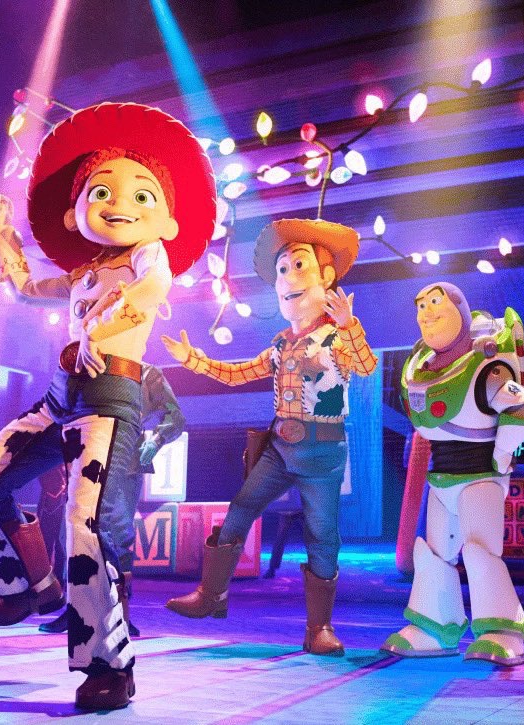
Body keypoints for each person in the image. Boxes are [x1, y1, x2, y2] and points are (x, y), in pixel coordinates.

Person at [0, 102, 214, 710]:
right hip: (60, 398)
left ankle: (109, 665)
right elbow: (23, 287)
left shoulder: (147, 257)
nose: (119, 203)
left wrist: (104, 326)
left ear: (167, 221)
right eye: (101, 192)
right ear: (75, 213)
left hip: (109, 403)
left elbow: (154, 287)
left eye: (142, 195)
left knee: (86, 524)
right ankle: (30, 586)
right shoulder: (82, 273)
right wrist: (0, 236)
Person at [162, 218, 376, 656]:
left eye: (298, 266)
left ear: (326, 277)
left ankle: (319, 628)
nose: (288, 278)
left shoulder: (337, 338)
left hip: (323, 450)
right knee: (241, 508)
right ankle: (211, 595)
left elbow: (367, 366)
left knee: (322, 534)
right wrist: (194, 360)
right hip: (280, 447)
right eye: (282, 270)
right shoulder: (281, 344)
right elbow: (238, 373)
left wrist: (351, 325)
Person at [381, 283, 524, 665]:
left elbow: (521, 410)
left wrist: (502, 454)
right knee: (435, 555)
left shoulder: (484, 364)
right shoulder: (422, 366)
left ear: (460, 309)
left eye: (435, 302)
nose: (426, 312)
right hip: (442, 476)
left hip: (480, 475)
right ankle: (435, 628)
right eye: (420, 305)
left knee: (480, 552)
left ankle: (503, 631)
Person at [40, 362, 185, 635]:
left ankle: (120, 613)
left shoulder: (146, 373)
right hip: (82, 456)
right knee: (71, 533)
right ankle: (76, 609)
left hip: (124, 461)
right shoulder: (86, 364)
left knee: (118, 535)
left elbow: (175, 416)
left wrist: (156, 440)